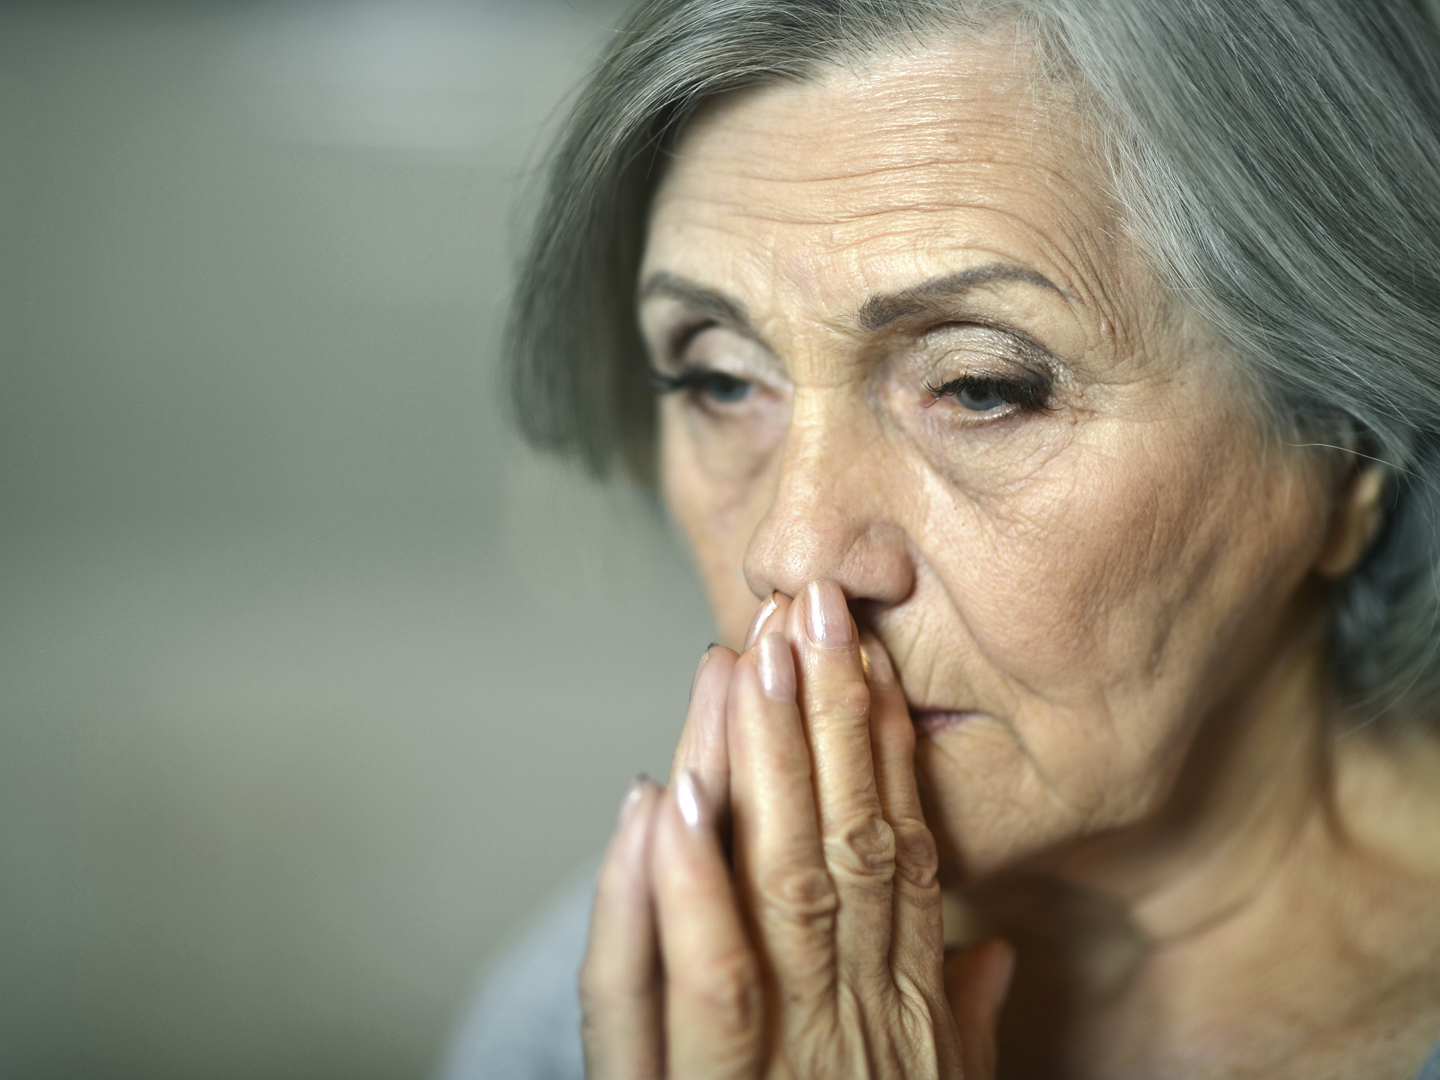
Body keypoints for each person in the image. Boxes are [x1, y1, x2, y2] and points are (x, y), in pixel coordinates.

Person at [440, 0, 1440, 1076]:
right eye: (722, 380)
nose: (793, 551)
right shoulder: (621, 1010)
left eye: (979, 387)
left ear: (1347, 457)